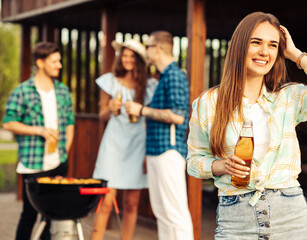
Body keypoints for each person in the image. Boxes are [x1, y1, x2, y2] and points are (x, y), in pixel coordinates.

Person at [187, 12, 307, 240]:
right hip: (236, 217)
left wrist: (295, 54)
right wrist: (222, 166)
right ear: (240, 46)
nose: (265, 51)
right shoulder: (209, 102)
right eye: (256, 42)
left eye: (273, 45)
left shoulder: (288, 98)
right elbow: (193, 162)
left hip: (290, 214)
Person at [125, 31, 194, 240]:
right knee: (163, 214)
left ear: (158, 48)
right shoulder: (164, 76)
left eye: (147, 46)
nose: (145, 51)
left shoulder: (175, 75)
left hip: (169, 152)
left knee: (175, 214)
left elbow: (179, 116)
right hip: (157, 152)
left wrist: (142, 110)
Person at [3, 42, 75, 240]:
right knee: (29, 214)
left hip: (58, 162)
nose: (59, 65)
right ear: (40, 63)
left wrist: (65, 152)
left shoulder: (62, 91)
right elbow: (8, 123)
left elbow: (69, 122)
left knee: (52, 215)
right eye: (55, 61)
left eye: (59, 61)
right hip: (33, 163)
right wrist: (39, 130)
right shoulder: (22, 91)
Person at [90, 39, 157, 240]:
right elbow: (101, 115)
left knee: (131, 203)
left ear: (139, 61)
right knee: (107, 201)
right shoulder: (109, 80)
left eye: (132, 56)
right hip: (113, 145)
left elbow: (152, 117)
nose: (127, 59)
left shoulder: (149, 85)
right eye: (125, 55)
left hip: (138, 144)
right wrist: (109, 109)